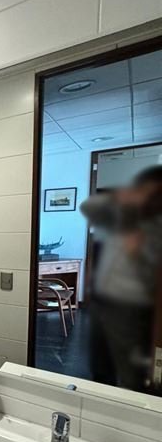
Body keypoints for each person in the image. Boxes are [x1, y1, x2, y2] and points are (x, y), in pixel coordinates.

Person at [80, 164, 162, 393]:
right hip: (101, 302)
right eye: (142, 190)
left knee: (130, 371)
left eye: (151, 192)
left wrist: (139, 252)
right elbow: (87, 207)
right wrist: (119, 198)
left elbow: (153, 274)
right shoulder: (120, 218)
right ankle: (99, 397)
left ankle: (129, 405)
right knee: (99, 363)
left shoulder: (156, 226)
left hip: (131, 308)